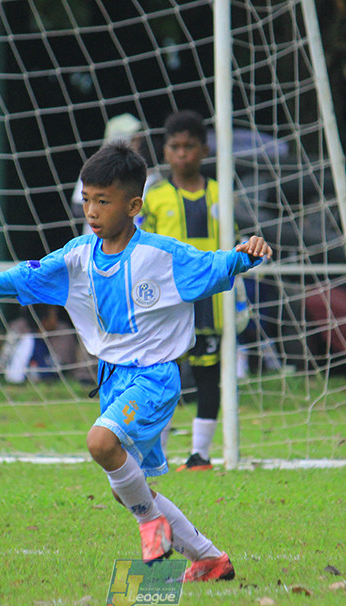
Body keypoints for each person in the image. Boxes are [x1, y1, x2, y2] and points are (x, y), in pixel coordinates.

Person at [0, 142, 271, 581]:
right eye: (87, 199)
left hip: (155, 377)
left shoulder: (160, 256)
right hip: (113, 382)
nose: (92, 210)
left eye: (103, 201)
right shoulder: (80, 256)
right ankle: (210, 558)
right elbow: (29, 275)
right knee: (130, 490)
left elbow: (214, 265)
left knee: (102, 444)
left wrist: (247, 253)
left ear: (133, 205)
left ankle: (151, 526)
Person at [140, 109, 228, 471]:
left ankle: (201, 455)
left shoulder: (222, 193)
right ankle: (155, 452)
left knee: (209, 372)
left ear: (204, 150)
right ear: (164, 152)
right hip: (167, 299)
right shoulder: (155, 197)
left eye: (189, 146)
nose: (182, 154)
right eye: (175, 147)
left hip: (210, 299)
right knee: (163, 374)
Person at [70, 113, 161, 231]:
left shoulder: (146, 171)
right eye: (133, 139)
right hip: (98, 240)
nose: (138, 144)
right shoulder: (95, 168)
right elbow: (77, 206)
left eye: (139, 139)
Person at [0, 304, 94, 385]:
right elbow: (3, 360)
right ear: (44, 321)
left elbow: (62, 365)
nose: (56, 318)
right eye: (53, 315)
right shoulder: (18, 328)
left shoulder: (63, 332)